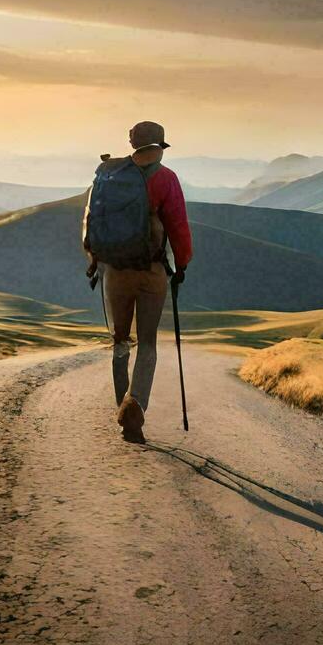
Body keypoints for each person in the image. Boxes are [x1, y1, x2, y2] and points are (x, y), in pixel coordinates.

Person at [85, 121, 192, 444]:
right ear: (160, 145)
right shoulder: (166, 178)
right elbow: (179, 227)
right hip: (151, 272)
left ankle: (123, 408)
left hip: (114, 270)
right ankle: (135, 407)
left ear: (132, 144)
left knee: (120, 341)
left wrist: (94, 259)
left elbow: (90, 220)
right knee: (147, 343)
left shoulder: (109, 174)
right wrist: (182, 264)